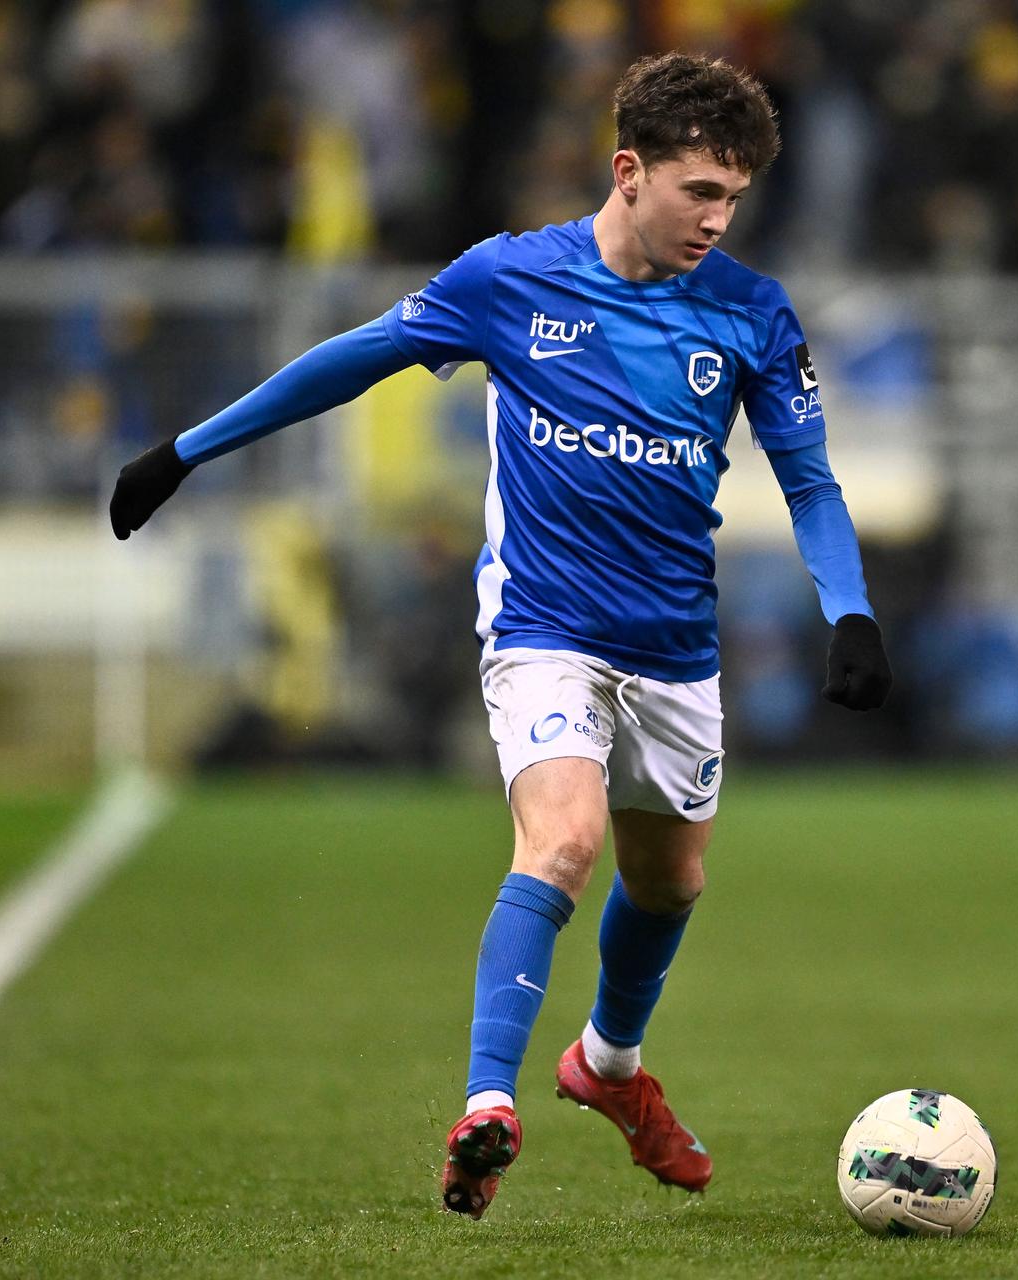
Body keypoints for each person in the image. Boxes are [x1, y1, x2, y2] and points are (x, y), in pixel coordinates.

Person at [107, 52, 892, 1218]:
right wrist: (185, 451)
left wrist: (852, 610)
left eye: (734, 198)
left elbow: (811, 482)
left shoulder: (751, 312)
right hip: (544, 626)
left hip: (676, 643)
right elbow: (350, 361)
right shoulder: (511, 280)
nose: (718, 220)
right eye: (699, 193)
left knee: (670, 881)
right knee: (563, 839)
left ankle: (608, 1067)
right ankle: (488, 1100)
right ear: (628, 171)